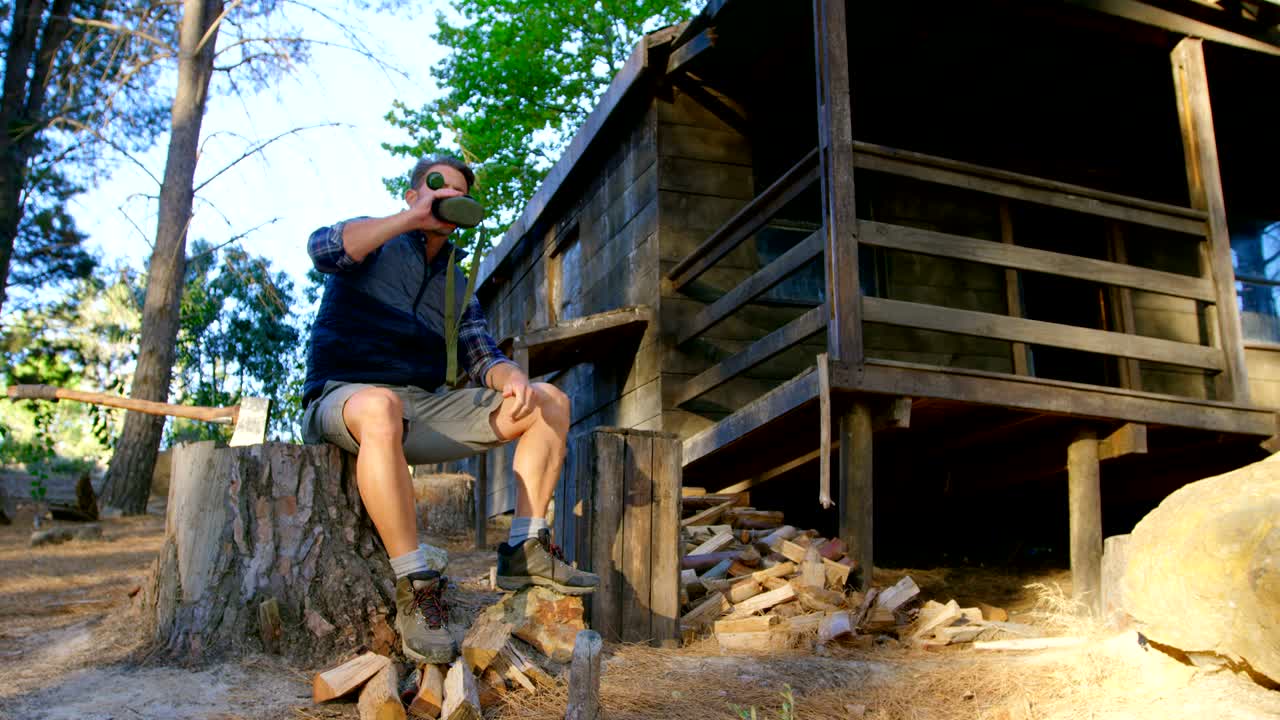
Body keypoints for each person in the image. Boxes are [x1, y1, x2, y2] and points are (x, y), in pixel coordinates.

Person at [300, 155, 598, 665]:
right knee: (380, 405)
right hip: (345, 396)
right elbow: (323, 248)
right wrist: (411, 220)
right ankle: (415, 585)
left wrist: (512, 377)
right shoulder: (372, 241)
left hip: (422, 409)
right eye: (436, 188)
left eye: (457, 192)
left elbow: (483, 355)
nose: (446, 198)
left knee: (551, 401)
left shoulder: (458, 282)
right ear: (413, 194)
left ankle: (523, 550)